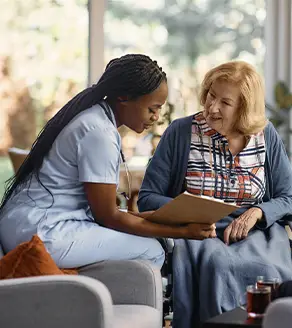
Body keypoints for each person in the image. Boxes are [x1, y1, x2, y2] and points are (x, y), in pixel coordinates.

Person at [0, 54, 215, 269]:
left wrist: (171, 220)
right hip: (42, 234)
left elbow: (106, 214)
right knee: (152, 251)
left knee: (156, 240)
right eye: (152, 108)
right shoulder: (99, 132)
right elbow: (108, 218)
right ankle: (93, 300)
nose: (156, 117)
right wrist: (183, 232)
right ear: (123, 97)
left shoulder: (94, 119)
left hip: (26, 225)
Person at [138, 61, 292, 327]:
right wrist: (192, 210)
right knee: (219, 268)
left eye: (225, 102)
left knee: (268, 274)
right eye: (211, 95)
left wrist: (257, 212)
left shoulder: (265, 135)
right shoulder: (181, 132)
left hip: (255, 232)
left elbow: (287, 196)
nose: (212, 107)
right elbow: (148, 198)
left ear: (244, 108)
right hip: (199, 232)